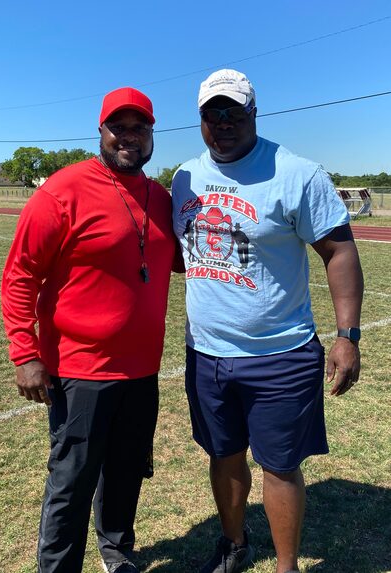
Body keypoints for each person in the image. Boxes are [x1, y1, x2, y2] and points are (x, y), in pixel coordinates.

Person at [171, 69, 363, 573]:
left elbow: (339, 250)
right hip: (207, 353)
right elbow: (184, 251)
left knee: (279, 466)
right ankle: (233, 545)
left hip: (280, 354)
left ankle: (286, 566)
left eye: (235, 111)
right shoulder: (184, 177)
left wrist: (347, 336)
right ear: (200, 120)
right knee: (224, 455)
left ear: (254, 113)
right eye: (214, 113)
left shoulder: (296, 172)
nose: (224, 122)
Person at [1, 87, 182, 573]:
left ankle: (116, 551)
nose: (128, 136)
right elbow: (20, 275)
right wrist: (25, 353)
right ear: (100, 132)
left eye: (139, 127)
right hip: (81, 368)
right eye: (117, 127)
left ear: (151, 134)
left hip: (142, 367)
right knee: (72, 479)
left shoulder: (160, 196)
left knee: (127, 468)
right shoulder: (61, 191)